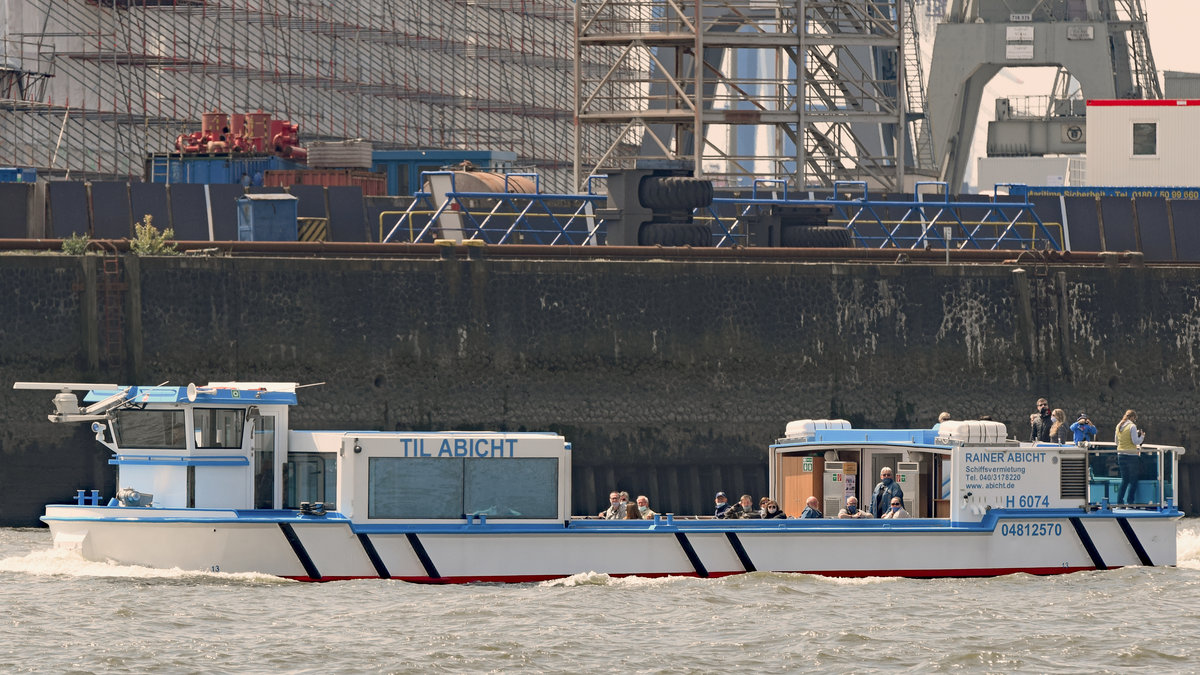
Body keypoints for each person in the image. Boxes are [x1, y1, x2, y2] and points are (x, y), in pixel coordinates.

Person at [1115, 409, 1146, 505]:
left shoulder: (1119, 426)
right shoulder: (1132, 426)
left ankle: (1119, 502)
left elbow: (1116, 442)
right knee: (1133, 480)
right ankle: (1130, 502)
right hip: (1131, 456)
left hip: (1120, 454)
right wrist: (1142, 436)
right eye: (1134, 419)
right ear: (1132, 417)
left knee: (1124, 480)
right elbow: (1135, 441)